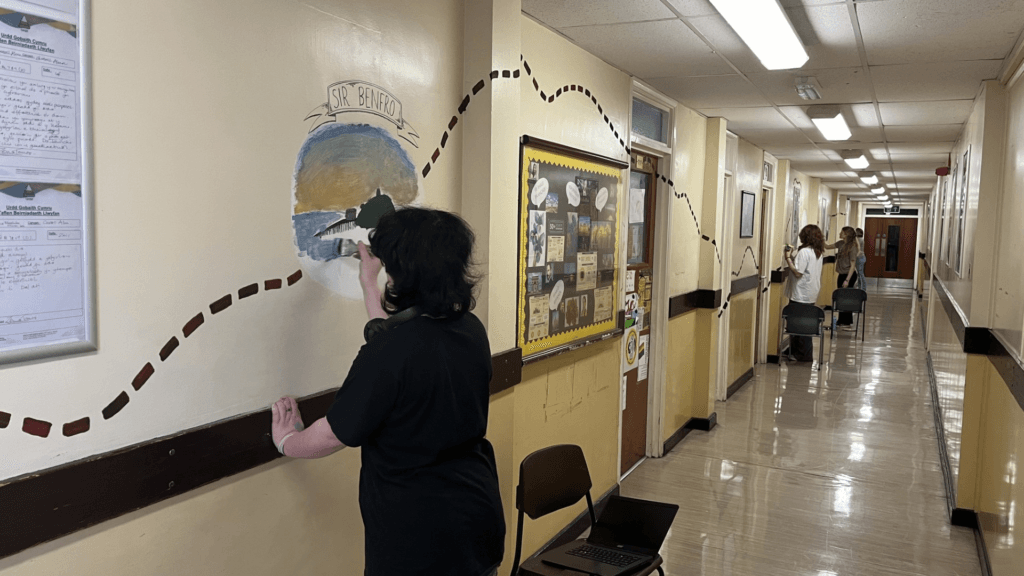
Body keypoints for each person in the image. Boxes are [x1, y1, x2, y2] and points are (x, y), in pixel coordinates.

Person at [269, 207, 505, 576]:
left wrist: (286, 441)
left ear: (403, 273)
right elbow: (396, 340)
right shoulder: (469, 329)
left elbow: (332, 435)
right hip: (476, 516)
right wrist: (368, 283)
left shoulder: (389, 353)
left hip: (418, 540)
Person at [784, 225, 825, 362]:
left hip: (800, 294)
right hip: (810, 293)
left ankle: (801, 355)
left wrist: (788, 257)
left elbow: (797, 272)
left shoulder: (805, 252)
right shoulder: (818, 252)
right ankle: (801, 354)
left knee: (797, 327)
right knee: (806, 327)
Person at [826, 226, 861, 328]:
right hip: (841, 274)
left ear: (846, 234)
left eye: (841, 232)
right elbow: (827, 247)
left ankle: (846, 321)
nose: (839, 233)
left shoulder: (852, 247)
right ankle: (841, 320)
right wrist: (819, 239)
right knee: (841, 298)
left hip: (849, 275)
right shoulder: (841, 243)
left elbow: (853, 265)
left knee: (846, 298)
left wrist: (847, 280)